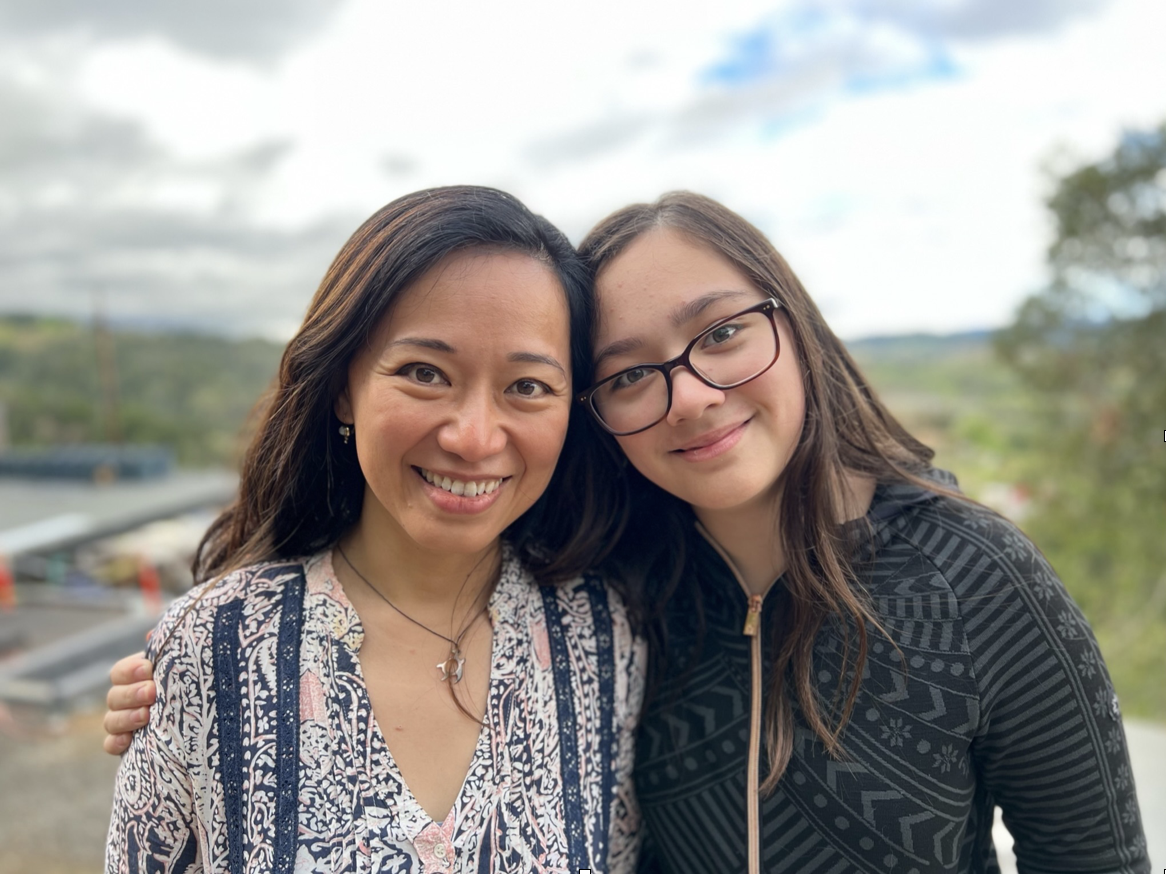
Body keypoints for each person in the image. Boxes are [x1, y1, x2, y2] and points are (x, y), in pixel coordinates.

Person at [105, 192, 1149, 874]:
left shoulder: (970, 577)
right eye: (629, 374)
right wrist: (202, 658)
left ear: (793, 323)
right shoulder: (624, 585)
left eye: (721, 333)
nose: (689, 396)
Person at [104, 185, 645, 874]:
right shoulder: (218, 647)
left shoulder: (602, 635)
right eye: (425, 373)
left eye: (528, 386)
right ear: (343, 386)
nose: (474, 438)